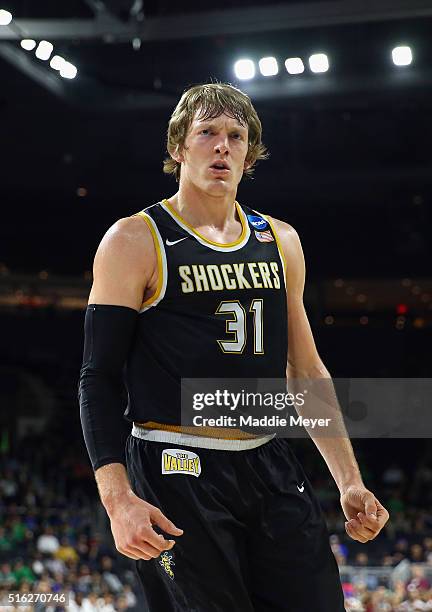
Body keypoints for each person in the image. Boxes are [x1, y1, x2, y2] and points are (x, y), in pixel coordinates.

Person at [78, 82, 389, 611]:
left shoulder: (280, 240)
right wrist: (118, 498)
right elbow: (97, 377)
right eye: (207, 133)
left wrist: (349, 481)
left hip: (269, 461)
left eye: (236, 136)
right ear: (179, 147)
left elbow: (305, 370)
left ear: (250, 154)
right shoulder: (135, 239)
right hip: (175, 465)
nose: (222, 146)